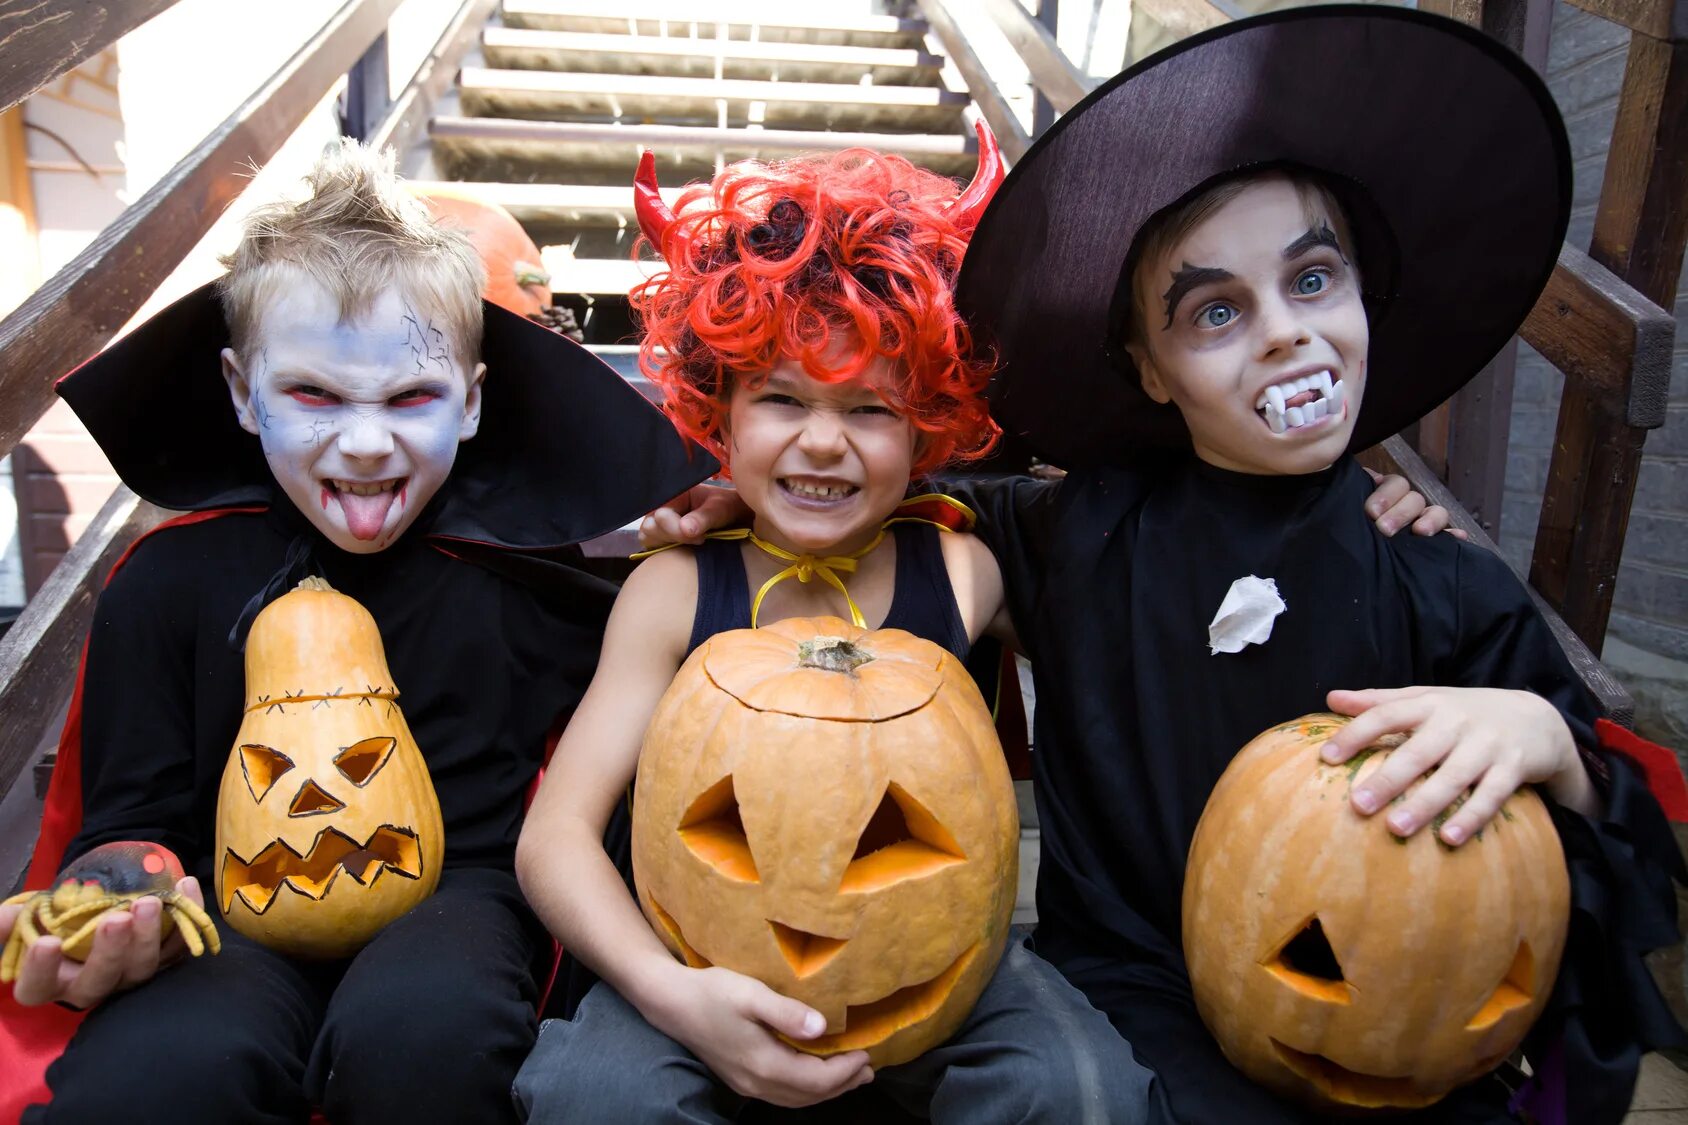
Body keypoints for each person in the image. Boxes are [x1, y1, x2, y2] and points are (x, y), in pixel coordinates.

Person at [655, 10, 1688, 1122]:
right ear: (1147, 369)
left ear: (1358, 298)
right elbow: (882, 488)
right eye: (1213, 312)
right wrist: (741, 505)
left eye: (1310, 282)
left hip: (1401, 1025)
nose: (1284, 335)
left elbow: (1616, 837)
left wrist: (1545, 745)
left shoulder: (1433, 573)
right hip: (1145, 1013)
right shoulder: (1074, 533)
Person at [0, 139, 711, 1125]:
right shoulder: (167, 583)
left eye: (411, 397)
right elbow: (135, 818)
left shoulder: (529, 585)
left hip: (462, 897)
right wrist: (121, 895)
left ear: (468, 401)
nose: (366, 441)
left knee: (427, 1040)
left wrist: (723, 528)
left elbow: (679, 662)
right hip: (230, 905)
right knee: (156, 1075)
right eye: (313, 394)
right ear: (243, 392)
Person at [510, 137, 1171, 1124]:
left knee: (1083, 1092)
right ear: (718, 414)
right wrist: (668, 994)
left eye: (868, 408)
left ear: (925, 432)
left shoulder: (961, 572)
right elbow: (554, 839)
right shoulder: (676, 592)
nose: (822, 439)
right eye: (780, 398)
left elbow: (1147, 544)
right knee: (593, 1095)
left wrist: (1380, 521)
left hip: (930, 968)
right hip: (697, 962)